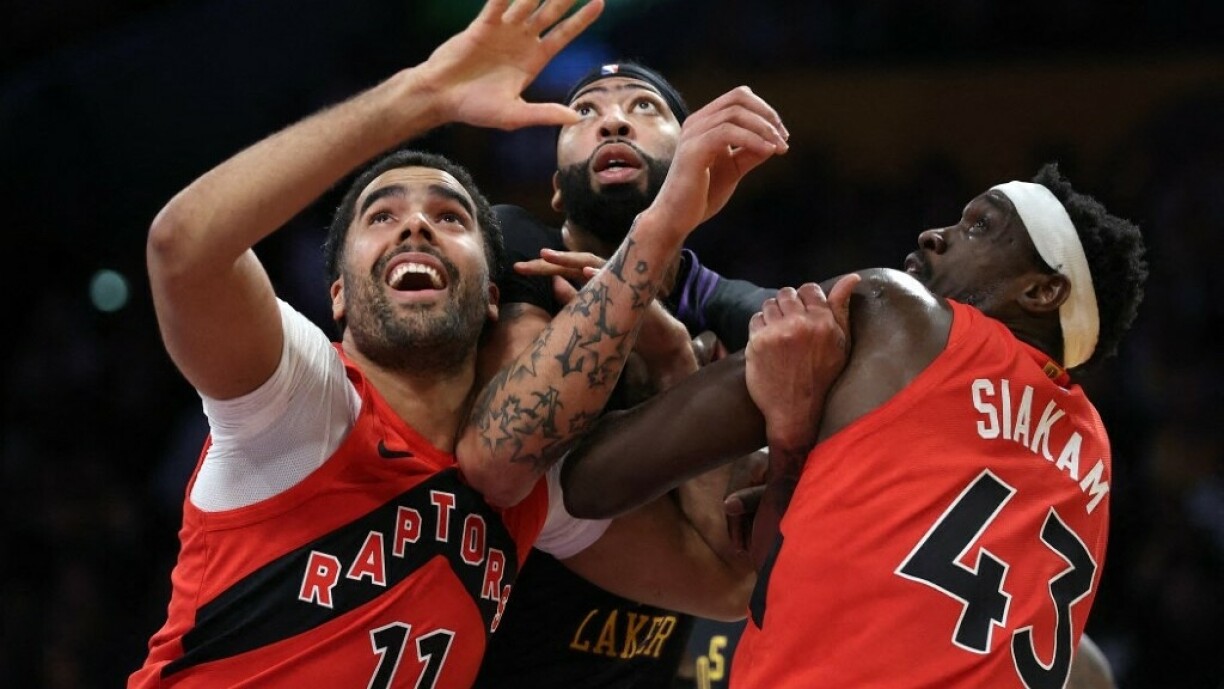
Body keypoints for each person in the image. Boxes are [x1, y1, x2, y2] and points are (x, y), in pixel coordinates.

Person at [127, 0, 797, 687]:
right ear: (338, 295)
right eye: (381, 215)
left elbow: (725, 589)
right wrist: (421, 94)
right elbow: (183, 248)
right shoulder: (303, 398)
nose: (415, 225)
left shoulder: (532, 495)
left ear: (492, 290)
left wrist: (676, 361)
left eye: (449, 217)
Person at [557, 163, 1148, 687]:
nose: (934, 234)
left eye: (980, 227)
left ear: (1042, 291)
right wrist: (790, 447)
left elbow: (592, 482)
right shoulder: (1093, 450)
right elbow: (799, 580)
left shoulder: (901, 314)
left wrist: (669, 356)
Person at [472, 62, 769, 688]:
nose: (612, 121)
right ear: (557, 189)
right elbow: (514, 457)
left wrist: (673, 361)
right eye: (584, 112)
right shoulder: (520, 244)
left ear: (694, 167)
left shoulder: (725, 306)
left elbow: (735, 564)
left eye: (644, 107)